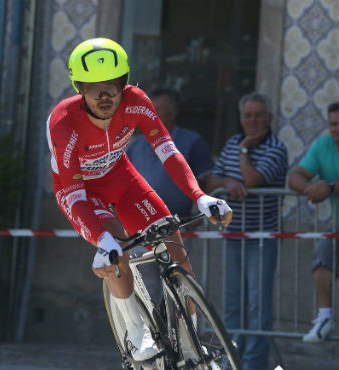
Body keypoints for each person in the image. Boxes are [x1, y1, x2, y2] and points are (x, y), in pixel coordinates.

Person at [46, 37, 232, 362]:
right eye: (94, 88)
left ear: (124, 84)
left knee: (173, 245)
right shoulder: (63, 123)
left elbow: (168, 151)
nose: (105, 96)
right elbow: (73, 193)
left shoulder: (136, 101)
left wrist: (200, 197)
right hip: (81, 192)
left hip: (121, 179)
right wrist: (102, 239)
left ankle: (190, 340)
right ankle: (135, 331)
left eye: (112, 87)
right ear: (80, 88)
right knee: (117, 247)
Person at [207, 92, 288, 370]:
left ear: (270, 118)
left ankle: (253, 365)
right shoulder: (232, 143)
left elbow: (252, 180)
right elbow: (211, 180)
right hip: (233, 237)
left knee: (258, 307)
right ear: (241, 118)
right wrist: (228, 181)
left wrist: (244, 151)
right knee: (232, 305)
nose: (252, 121)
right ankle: (233, 361)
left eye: (257, 115)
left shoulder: (276, 148)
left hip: (262, 240)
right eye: (247, 116)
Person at [288, 101, 339, 343]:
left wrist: (328, 186)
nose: (336, 129)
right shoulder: (324, 145)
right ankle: (325, 316)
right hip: (337, 229)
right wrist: (311, 188)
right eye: (333, 124)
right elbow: (294, 177)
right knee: (322, 257)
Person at [127, 86, 215, 219]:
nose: (151, 115)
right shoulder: (135, 145)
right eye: (148, 109)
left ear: (174, 112)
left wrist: (198, 215)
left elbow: (209, 180)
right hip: (141, 223)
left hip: (179, 223)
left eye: (158, 110)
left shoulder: (192, 142)